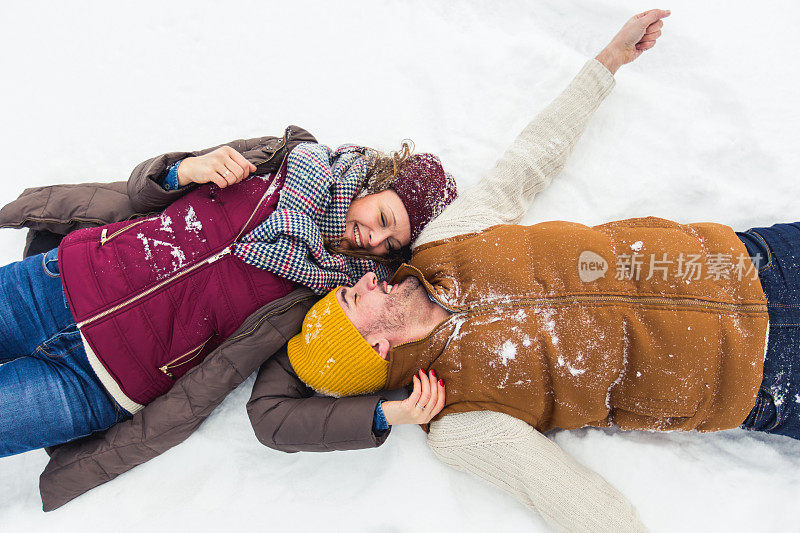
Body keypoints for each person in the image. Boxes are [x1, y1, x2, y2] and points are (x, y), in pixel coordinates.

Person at [280, 9, 796, 532]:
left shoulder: (441, 243)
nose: (365, 279)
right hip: (761, 374)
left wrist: (609, 61)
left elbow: (530, 160)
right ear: (374, 347)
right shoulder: (459, 421)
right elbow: (575, 502)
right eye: (352, 300)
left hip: (749, 262)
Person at [0, 126, 458, 457]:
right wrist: (185, 169)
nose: (375, 240)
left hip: (95, 384)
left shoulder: (334, 296)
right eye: (383, 219)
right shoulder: (284, 162)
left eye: (391, 243)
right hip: (53, 285)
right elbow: (143, 193)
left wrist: (381, 414)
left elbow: (277, 414)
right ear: (373, 185)